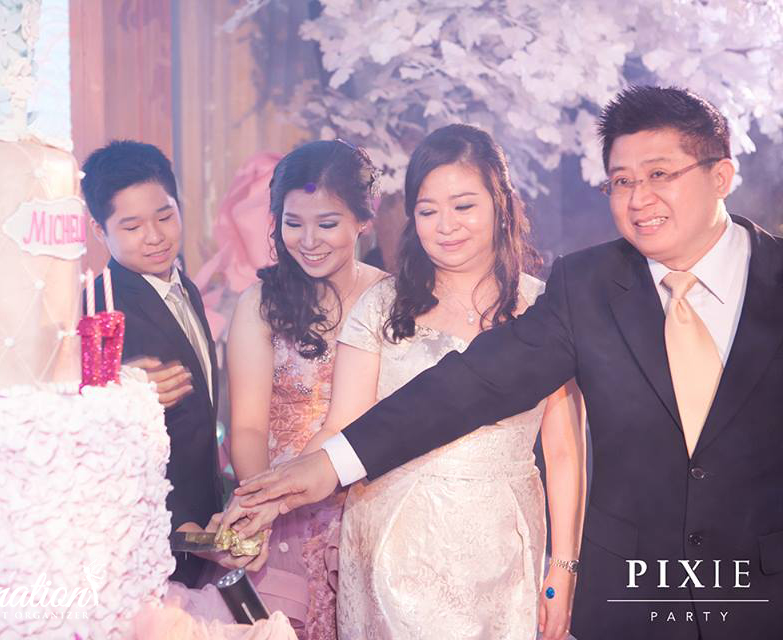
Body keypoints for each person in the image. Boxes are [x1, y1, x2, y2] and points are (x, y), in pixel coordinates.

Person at [227, 87, 783, 640]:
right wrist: (320, 468)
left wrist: (562, 567)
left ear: (721, 175)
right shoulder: (586, 286)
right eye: (622, 181)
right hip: (622, 598)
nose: (639, 199)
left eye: (659, 174)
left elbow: (566, 451)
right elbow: (467, 386)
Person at [291, 124, 585, 640]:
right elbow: (341, 428)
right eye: (428, 211)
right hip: (388, 551)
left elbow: (564, 453)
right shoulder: (381, 306)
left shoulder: (546, 310)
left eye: (463, 206)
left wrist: (563, 570)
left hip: (503, 551)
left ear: (501, 205)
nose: (446, 226)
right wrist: (274, 489)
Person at [226, 139, 387, 638]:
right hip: (279, 512)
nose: (310, 241)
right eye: (293, 223)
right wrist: (261, 501)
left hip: (367, 502)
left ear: (363, 219)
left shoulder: (390, 299)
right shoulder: (260, 303)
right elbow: (248, 426)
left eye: (327, 223)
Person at [81, 141, 222, 587]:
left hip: (201, 525)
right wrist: (183, 528)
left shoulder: (186, 288)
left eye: (165, 216)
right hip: (152, 537)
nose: (156, 236)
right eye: (132, 226)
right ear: (99, 230)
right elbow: (103, 442)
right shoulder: (99, 311)